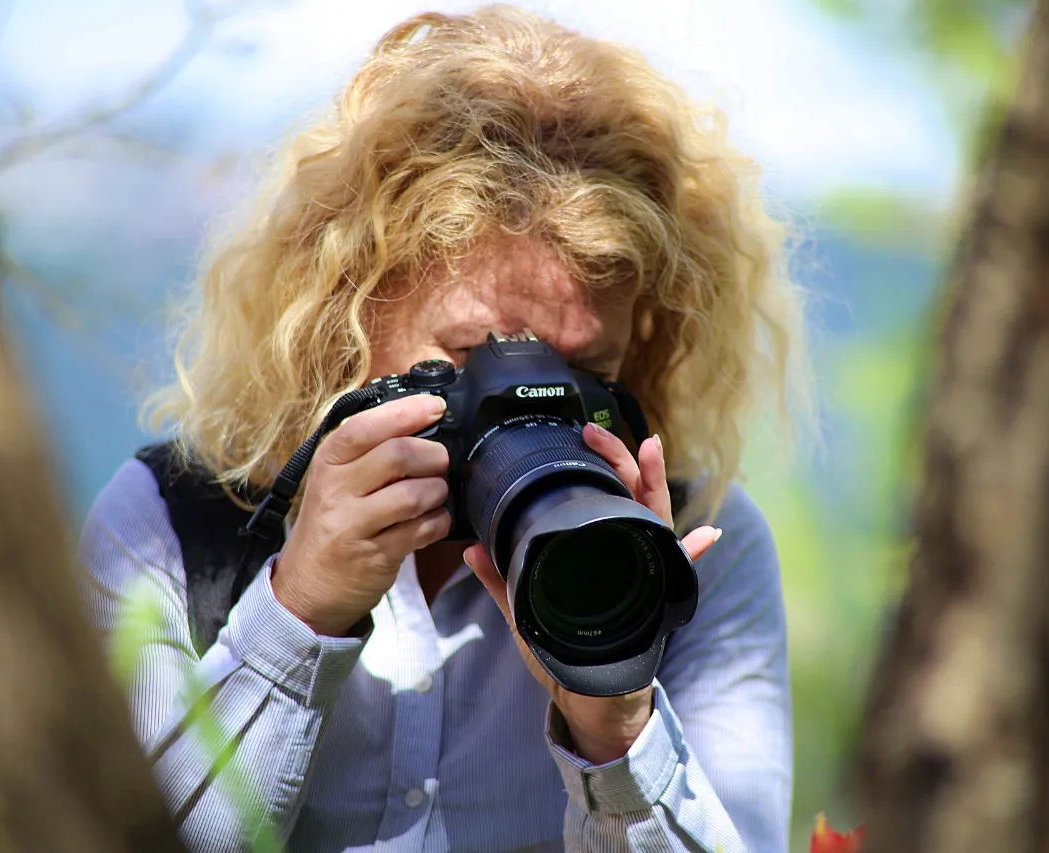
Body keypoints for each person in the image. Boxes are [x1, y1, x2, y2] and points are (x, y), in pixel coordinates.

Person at [81, 5, 805, 851]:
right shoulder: (174, 528)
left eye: (586, 375)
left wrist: (617, 723)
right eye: (475, 357)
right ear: (352, 307)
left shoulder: (692, 554)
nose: (533, 403)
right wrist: (298, 611)